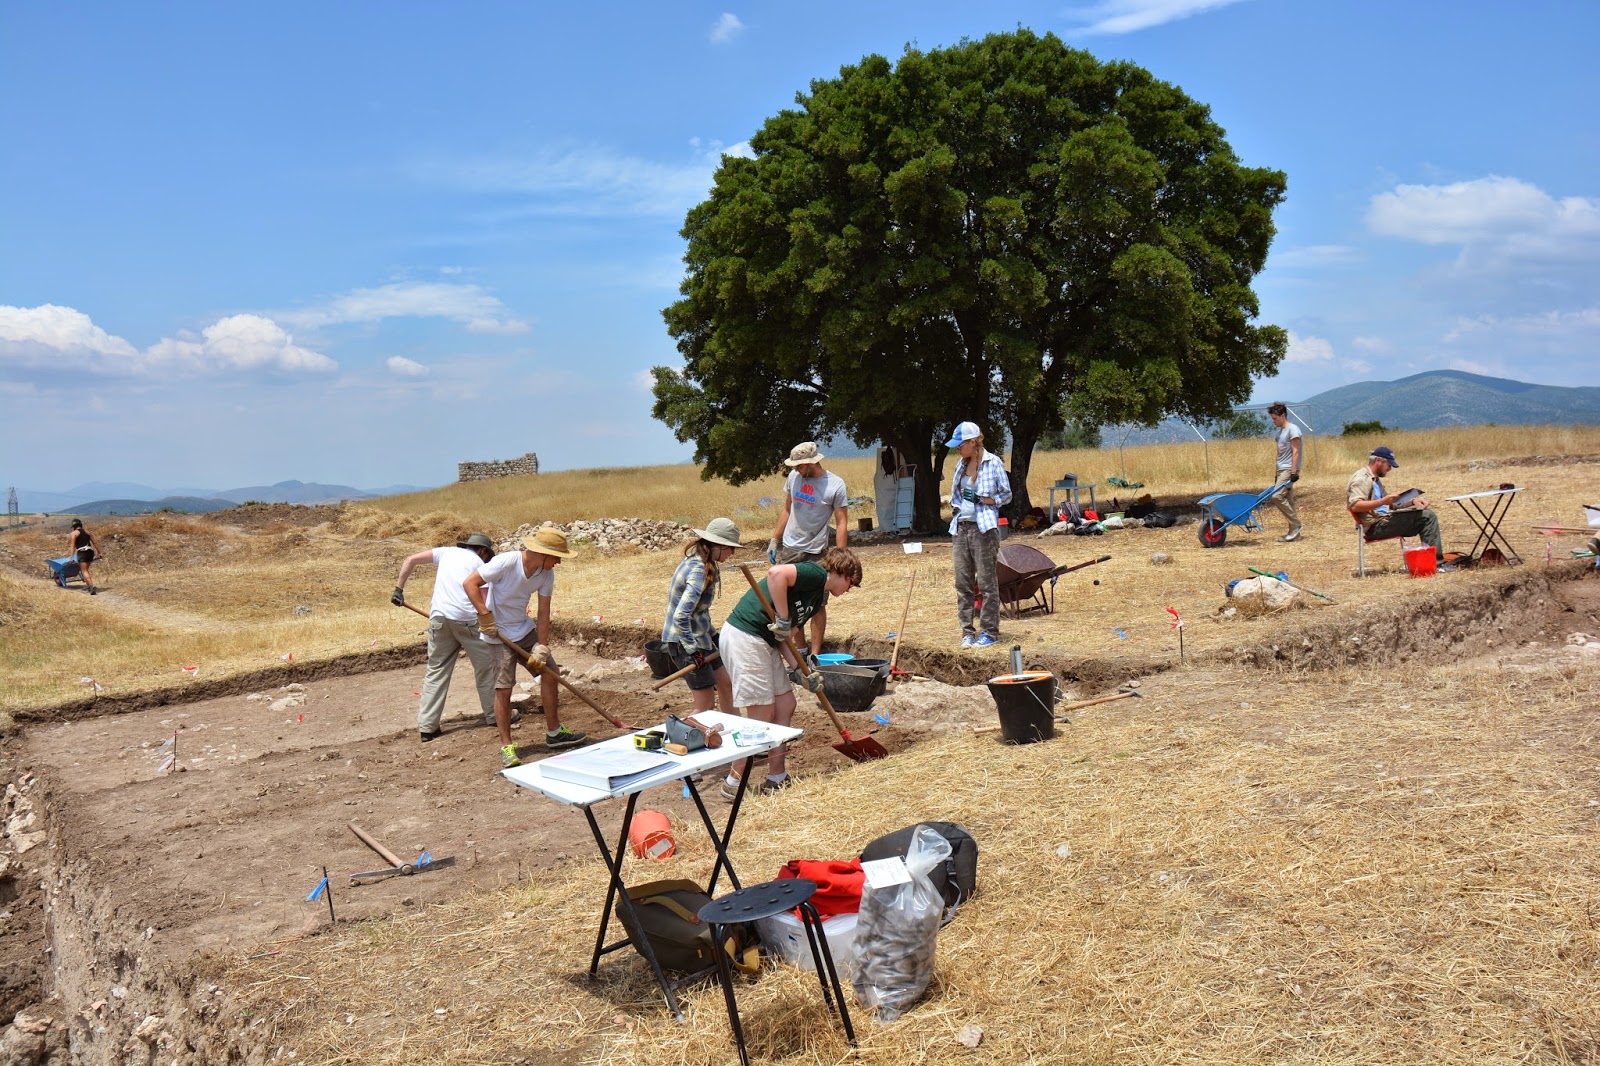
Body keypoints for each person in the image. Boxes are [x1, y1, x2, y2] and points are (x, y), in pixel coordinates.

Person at [718, 546, 863, 799]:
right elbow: (776, 574)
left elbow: (785, 637)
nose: (849, 589)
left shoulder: (816, 599)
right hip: (745, 636)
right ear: (841, 572)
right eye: (851, 583)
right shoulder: (816, 574)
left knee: (786, 704)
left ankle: (777, 777)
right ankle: (733, 783)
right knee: (761, 713)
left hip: (765, 642)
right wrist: (784, 618)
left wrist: (800, 671)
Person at [464, 525, 586, 768]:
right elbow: (470, 583)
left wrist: (542, 646)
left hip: (523, 630)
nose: (559, 562)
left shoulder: (546, 574)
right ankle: (507, 747)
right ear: (543, 553)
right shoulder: (507, 562)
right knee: (504, 688)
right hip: (498, 634)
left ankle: (554, 732)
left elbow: (543, 611)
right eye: (557, 557)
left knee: (550, 673)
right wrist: (484, 615)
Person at [393, 533, 505, 742]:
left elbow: (410, 560)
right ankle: (494, 715)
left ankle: (427, 727)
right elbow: (483, 599)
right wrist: (492, 623)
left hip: (439, 620)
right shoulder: (479, 564)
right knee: (486, 668)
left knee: (436, 670)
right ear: (483, 551)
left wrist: (399, 590)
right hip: (468, 621)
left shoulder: (446, 552)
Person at [768, 441, 848, 656]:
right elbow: (787, 509)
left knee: (818, 604)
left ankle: (815, 654)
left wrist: (841, 556)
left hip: (816, 552)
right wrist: (775, 539)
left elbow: (841, 522)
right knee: (791, 601)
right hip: (791, 548)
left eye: (800, 465)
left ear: (812, 463)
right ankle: (801, 650)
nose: (796, 469)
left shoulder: (835, 485)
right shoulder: (793, 478)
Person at [661, 517, 743, 714]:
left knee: (726, 685)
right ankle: (681, 732)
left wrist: (713, 634)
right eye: (730, 548)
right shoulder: (698, 569)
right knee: (705, 706)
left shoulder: (706, 562)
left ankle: (735, 728)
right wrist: (692, 651)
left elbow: (699, 612)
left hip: (701, 638)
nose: (732, 553)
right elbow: (681, 616)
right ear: (718, 545)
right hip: (685, 642)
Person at [946, 421, 1012, 647]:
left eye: (961, 444)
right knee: (962, 583)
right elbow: (957, 494)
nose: (958, 448)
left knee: (986, 583)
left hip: (983, 529)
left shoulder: (993, 463)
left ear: (973, 442)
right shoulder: (960, 464)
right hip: (961, 527)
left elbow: (1006, 495)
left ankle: (989, 632)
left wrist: (983, 500)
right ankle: (967, 631)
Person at [1348, 445, 1450, 569]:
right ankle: (1435, 564)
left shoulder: (1374, 479)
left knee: (1426, 514)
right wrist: (1382, 501)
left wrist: (1413, 501)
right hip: (1375, 527)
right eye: (1388, 465)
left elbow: (1391, 504)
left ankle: (1430, 561)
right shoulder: (1362, 479)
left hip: (1383, 520)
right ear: (1378, 461)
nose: (1390, 468)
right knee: (1428, 517)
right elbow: (1355, 506)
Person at [1266, 402, 1303, 542]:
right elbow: (1279, 454)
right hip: (1281, 469)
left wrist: (1294, 472)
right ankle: (1295, 533)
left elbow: (1295, 451)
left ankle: (1296, 524)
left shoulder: (1293, 430)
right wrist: (1276, 473)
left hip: (1288, 469)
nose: (1273, 421)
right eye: (1272, 418)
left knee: (1277, 496)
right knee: (1288, 499)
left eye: (1275, 418)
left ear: (1283, 415)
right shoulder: (1280, 433)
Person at [67, 519, 101, 594]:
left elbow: (72, 546)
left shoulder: (74, 533)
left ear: (74, 526)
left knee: (84, 571)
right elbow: (95, 543)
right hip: (90, 552)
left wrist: (71, 557)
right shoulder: (88, 532)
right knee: (86, 570)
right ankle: (88, 586)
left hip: (82, 552)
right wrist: (99, 553)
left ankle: (91, 586)